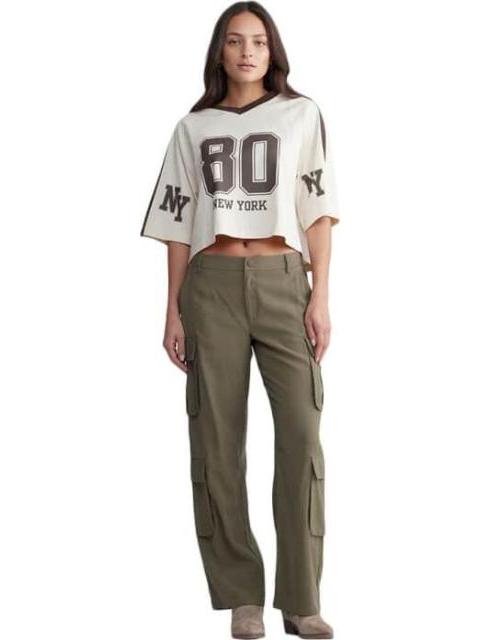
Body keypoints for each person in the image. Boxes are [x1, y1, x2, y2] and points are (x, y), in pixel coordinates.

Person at [140, 2, 340, 638]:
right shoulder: (191, 127)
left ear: (272, 50)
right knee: (217, 442)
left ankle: (301, 598)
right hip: (212, 287)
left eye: (258, 41)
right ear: (219, 52)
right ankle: (241, 596)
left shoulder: (301, 114)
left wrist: (320, 296)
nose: (247, 52)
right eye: (235, 41)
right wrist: (172, 308)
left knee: (301, 435)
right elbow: (177, 225)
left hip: (283, 280)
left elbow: (317, 211)